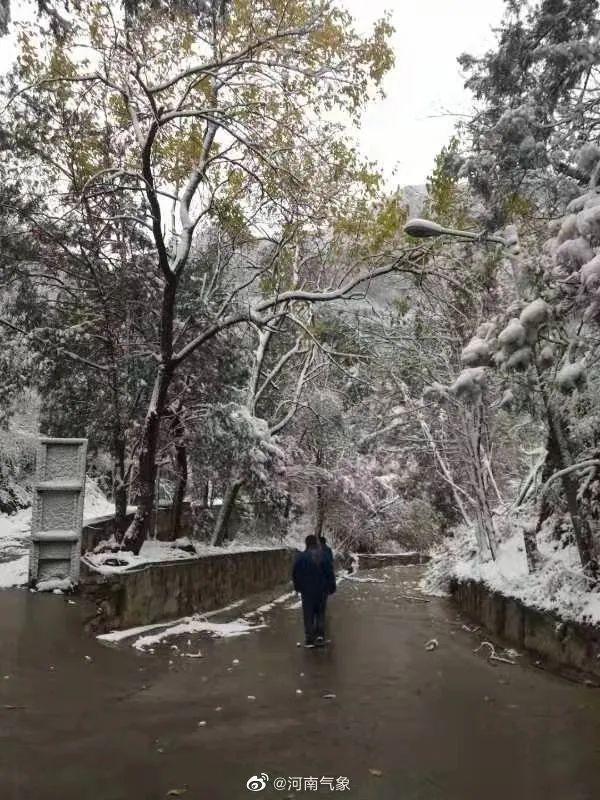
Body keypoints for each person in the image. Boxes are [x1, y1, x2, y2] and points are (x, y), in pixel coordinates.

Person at [292, 534, 336, 647]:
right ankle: (320, 636)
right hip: (322, 590)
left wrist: (298, 587)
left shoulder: (301, 557)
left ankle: (309, 638)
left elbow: (295, 574)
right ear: (316, 543)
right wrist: (332, 586)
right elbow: (329, 572)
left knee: (308, 614)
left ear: (306, 543)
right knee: (320, 613)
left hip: (307, 591)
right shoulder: (324, 556)